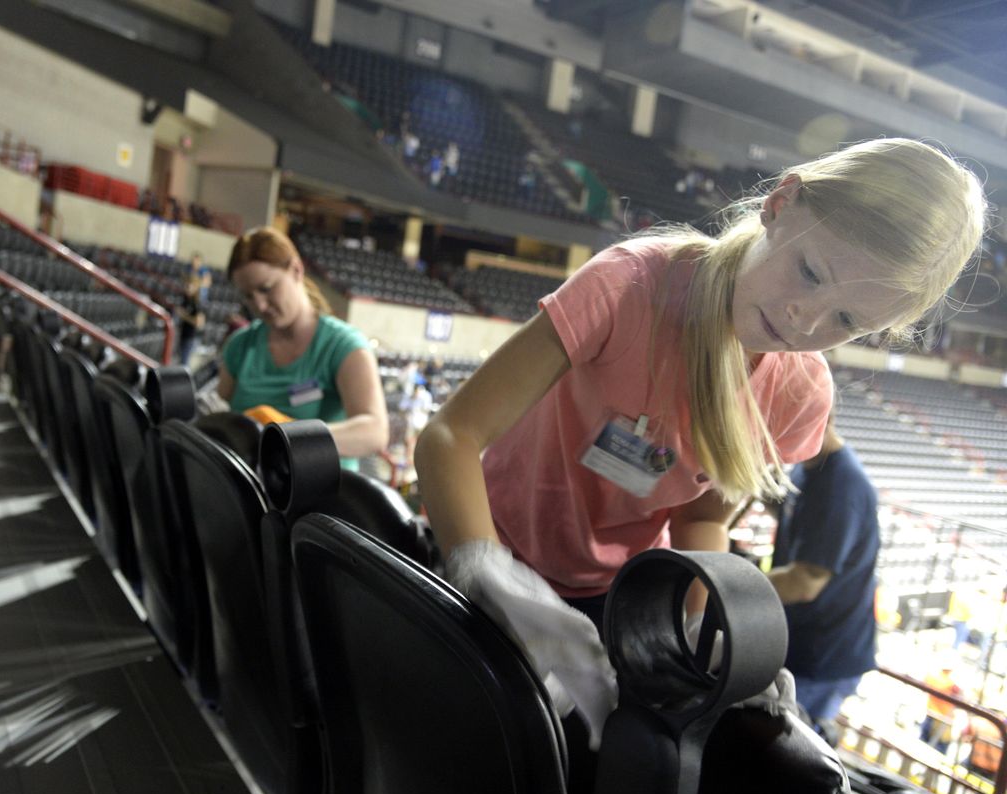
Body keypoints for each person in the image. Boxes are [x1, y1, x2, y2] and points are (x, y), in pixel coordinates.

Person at [416, 138, 986, 744]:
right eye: (811, 272)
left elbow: (700, 518)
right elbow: (451, 436)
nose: (805, 319)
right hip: (477, 548)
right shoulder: (629, 286)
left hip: (618, 604)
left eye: (847, 322)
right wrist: (486, 571)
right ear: (781, 201)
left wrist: (700, 622)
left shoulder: (798, 395)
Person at [218, 227, 388, 469]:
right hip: (252, 487)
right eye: (248, 296)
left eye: (266, 289)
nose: (260, 305)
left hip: (320, 493)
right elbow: (219, 414)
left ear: (296, 270)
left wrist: (290, 437)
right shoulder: (240, 345)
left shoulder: (343, 346)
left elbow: (375, 431)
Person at [767, 411, 879, 739]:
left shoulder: (842, 488)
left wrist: (732, 587)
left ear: (822, 421)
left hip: (823, 656)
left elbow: (804, 583)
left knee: (791, 749)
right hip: (803, 643)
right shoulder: (808, 466)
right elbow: (794, 514)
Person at [176, 269, 205, 367]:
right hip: (183, 334)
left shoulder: (196, 302)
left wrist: (183, 316)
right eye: (186, 285)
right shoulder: (185, 299)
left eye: (189, 286)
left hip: (190, 337)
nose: (187, 288)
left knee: (184, 364)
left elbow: (199, 323)